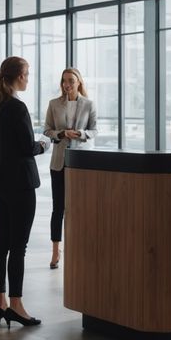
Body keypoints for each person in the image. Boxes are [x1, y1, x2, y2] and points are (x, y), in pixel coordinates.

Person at [0, 56, 48, 327]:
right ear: (18, 77)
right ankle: (18, 305)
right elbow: (26, 147)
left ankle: (1, 302)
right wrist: (44, 145)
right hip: (20, 183)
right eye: (27, 73)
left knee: (2, 241)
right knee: (18, 246)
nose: (28, 78)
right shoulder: (17, 107)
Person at [42, 67, 97, 270]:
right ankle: (56, 251)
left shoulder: (89, 104)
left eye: (71, 81)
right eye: (64, 80)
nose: (67, 84)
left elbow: (94, 130)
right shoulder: (54, 104)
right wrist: (62, 133)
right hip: (59, 162)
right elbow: (47, 130)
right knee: (58, 208)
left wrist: (81, 134)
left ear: (79, 82)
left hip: (81, 163)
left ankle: (79, 248)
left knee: (79, 208)